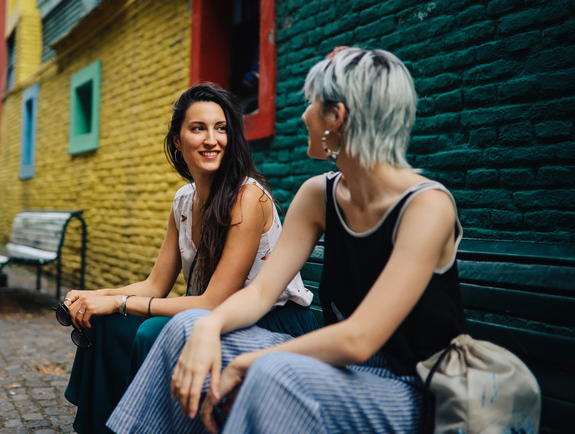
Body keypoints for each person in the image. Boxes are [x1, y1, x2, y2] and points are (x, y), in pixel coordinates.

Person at [107, 47, 468, 434]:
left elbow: (359, 339)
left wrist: (250, 361)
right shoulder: (319, 194)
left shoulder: (427, 205)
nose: (304, 115)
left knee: (273, 372)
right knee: (189, 327)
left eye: (312, 103)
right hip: (341, 371)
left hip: (411, 387)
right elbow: (261, 293)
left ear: (336, 118)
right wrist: (209, 327)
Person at [61, 83, 316, 433]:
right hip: (215, 313)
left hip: (271, 320)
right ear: (178, 141)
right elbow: (155, 285)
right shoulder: (184, 200)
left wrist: (119, 302)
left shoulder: (248, 198)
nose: (212, 139)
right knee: (106, 323)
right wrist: (95, 298)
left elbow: (214, 302)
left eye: (221, 128)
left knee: (150, 330)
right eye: (198, 128)